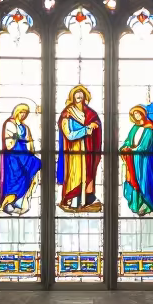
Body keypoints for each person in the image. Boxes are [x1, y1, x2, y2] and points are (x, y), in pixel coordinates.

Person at [56, 84, 102, 212]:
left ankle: (86, 199)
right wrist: (87, 129)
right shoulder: (67, 113)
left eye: (81, 96)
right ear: (72, 97)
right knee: (74, 175)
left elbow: (96, 123)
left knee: (87, 173)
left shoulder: (90, 113)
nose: (79, 98)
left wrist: (95, 125)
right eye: (77, 96)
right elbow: (69, 135)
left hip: (88, 149)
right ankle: (72, 200)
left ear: (85, 97)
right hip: (73, 151)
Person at [0, 103, 41, 215]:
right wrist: (16, 138)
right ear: (17, 112)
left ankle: (18, 201)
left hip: (23, 153)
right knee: (13, 178)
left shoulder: (25, 127)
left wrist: (31, 150)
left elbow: (29, 140)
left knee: (34, 166)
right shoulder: (9, 123)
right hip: (13, 155)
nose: (23, 115)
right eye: (21, 112)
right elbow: (9, 140)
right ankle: (7, 203)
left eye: (25, 113)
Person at [120, 104, 153, 216]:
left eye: (138, 113)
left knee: (143, 181)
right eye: (135, 114)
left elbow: (145, 145)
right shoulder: (135, 128)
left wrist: (133, 149)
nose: (137, 116)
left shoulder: (150, 127)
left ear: (143, 114)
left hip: (142, 160)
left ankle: (147, 205)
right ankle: (136, 204)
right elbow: (128, 141)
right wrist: (125, 148)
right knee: (133, 181)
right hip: (131, 159)